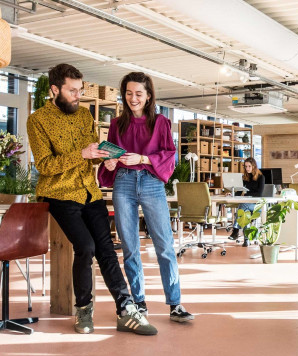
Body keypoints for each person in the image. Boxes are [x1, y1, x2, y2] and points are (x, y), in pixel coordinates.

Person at [27, 63, 154, 336]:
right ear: (54, 90)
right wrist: (82, 154)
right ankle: (83, 309)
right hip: (59, 193)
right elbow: (45, 166)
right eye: (72, 91)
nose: (78, 96)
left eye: (80, 90)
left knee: (106, 249)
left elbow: (92, 154)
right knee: (85, 247)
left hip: (90, 191)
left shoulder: (85, 116)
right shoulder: (37, 120)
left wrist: (105, 159)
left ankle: (126, 310)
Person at [98, 72, 193, 323]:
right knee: (130, 248)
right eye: (129, 93)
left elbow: (169, 155)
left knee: (165, 246)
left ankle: (175, 303)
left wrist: (142, 158)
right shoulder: (116, 124)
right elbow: (111, 155)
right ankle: (138, 303)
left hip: (151, 183)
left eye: (139, 93)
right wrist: (109, 163)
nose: (133, 98)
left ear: (149, 96)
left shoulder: (161, 122)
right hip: (123, 183)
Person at [229, 157, 264, 243]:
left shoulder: (261, 177)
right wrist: (232, 194)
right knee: (244, 210)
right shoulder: (245, 177)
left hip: (256, 206)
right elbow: (239, 192)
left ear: (254, 166)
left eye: (249, 166)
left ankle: (235, 231)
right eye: (246, 166)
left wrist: (246, 194)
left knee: (243, 206)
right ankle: (246, 240)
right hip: (246, 205)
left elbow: (259, 194)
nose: (247, 168)